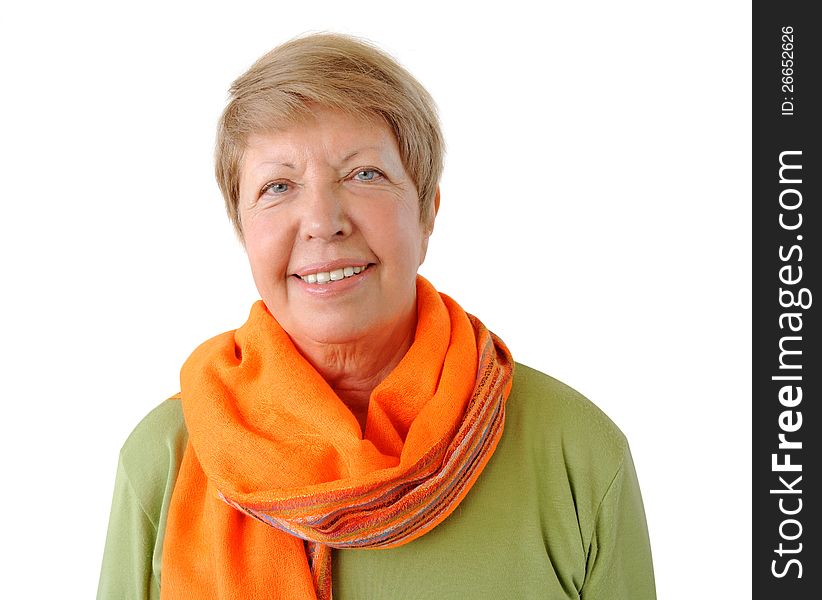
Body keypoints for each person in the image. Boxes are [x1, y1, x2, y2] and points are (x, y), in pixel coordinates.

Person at [97, 33, 656, 600]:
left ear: (427, 212)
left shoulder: (577, 455)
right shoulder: (164, 461)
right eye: (278, 186)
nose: (321, 220)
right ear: (243, 229)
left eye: (364, 174)